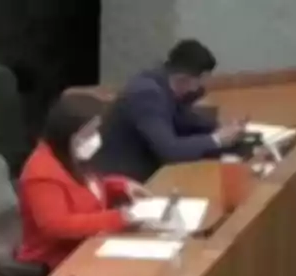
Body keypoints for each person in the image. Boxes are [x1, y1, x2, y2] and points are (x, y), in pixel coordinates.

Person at [16, 93, 150, 272]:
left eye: (96, 130)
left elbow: (87, 189)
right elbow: (57, 226)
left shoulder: (73, 156)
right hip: (54, 265)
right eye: (87, 133)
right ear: (67, 133)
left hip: (89, 246)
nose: (94, 138)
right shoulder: (41, 173)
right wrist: (118, 218)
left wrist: (120, 186)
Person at [95, 40, 245, 182]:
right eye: (201, 81)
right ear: (184, 79)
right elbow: (170, 151)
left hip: (148, 164)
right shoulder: (147, 94)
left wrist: (219, 128)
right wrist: (216, 139)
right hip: (126, 177)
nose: (202, 87)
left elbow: (182, 119)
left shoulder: (164, 81)